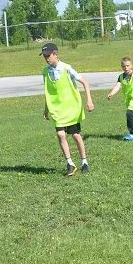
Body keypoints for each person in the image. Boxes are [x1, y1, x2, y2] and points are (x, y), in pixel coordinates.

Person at [40, 42, 95, 176]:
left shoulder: (66, 68)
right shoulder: (45, 72)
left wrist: (89, 100)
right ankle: (70, 163)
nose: (47, 58)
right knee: (60, 134)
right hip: (57, 109)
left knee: (76, 135)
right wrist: (46, 109)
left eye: (48, 55)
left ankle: (84, 161)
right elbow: (48, 91)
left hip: (71, 108)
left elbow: (85, 82)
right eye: (44, 56)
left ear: (55, 54)